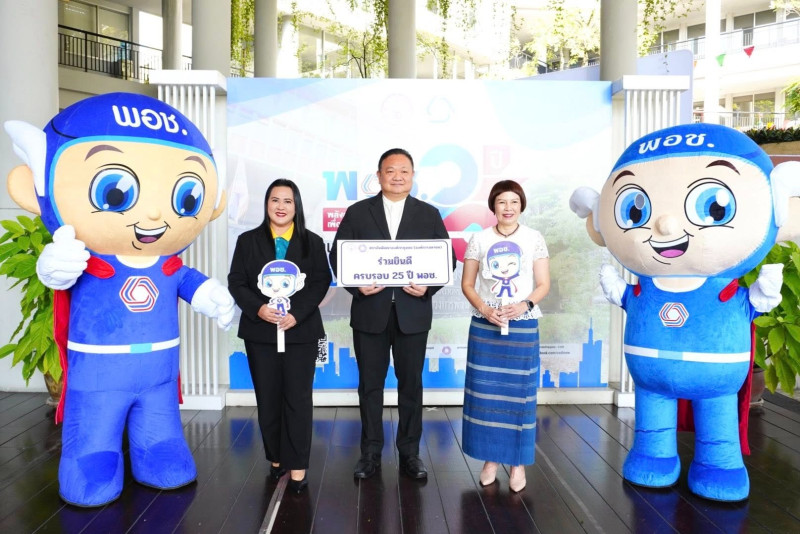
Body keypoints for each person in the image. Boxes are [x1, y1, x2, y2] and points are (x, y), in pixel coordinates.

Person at [329, 148, 453, 480]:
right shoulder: (358, 212)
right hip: (370, 311)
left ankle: (410, 453)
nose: (397, 176)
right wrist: (356, 287)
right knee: (370, 386)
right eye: (390, 170)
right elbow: (338, 254)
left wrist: (428, 287)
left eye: (404, 171)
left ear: (412, 176)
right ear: (379, 175)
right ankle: (370, 453)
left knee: (411, 385)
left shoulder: (428, 213)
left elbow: (447, 259)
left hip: (413, 313)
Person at [228, 179, 332, 494]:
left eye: (288, 201)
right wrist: (258, 309)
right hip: (260, 332)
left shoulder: (312, 242)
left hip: (300, 331)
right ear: (267, 204)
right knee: (268, 397)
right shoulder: (248, 241)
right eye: (275, 200)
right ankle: (276, 458)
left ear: (296, 206)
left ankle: (298, 466)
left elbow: (320, 282)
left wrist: (296, 314)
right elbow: (237, 281)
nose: (281, 206)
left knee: (298, 399)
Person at [460, 180, 551, 493]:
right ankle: (490, 459)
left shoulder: (534, 238)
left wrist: (524, 305)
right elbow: (467, 284)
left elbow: (543, 284)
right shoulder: (480, 238)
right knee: (485, 395)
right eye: (502, 202)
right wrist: (486, 310)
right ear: (493, 206)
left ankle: (517, 463)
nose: (508, 207)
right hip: (485, 325)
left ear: (521, 205)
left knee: (519, 397)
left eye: (514, 201)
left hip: (522, 325)